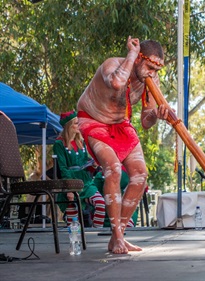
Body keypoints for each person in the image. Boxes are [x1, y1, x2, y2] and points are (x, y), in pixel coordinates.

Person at [77, 36, 168, 254]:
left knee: (140, 175)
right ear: (138, 59)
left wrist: (157, 114)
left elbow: (146, 122)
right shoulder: (113, 64)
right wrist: (131, 54)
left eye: (157, 69)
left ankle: (119, 234)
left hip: (120, 124)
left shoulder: (151, 81)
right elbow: (117, 83)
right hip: (93, 119)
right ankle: (116, 236)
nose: (152, 73)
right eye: (149, 66)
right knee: (114, 169)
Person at [53, 111, 106, 228]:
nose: (80, 125)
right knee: (72, 221)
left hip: (85, 182)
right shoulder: (59, 144)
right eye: (77, 123)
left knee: (101, 203)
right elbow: (63, 168)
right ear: (69, 125)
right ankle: (73, 242)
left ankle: (95, 233)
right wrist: (69, 189)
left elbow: (85, 162)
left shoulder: (81, 141)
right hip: (71, 182)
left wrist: (93, 165)